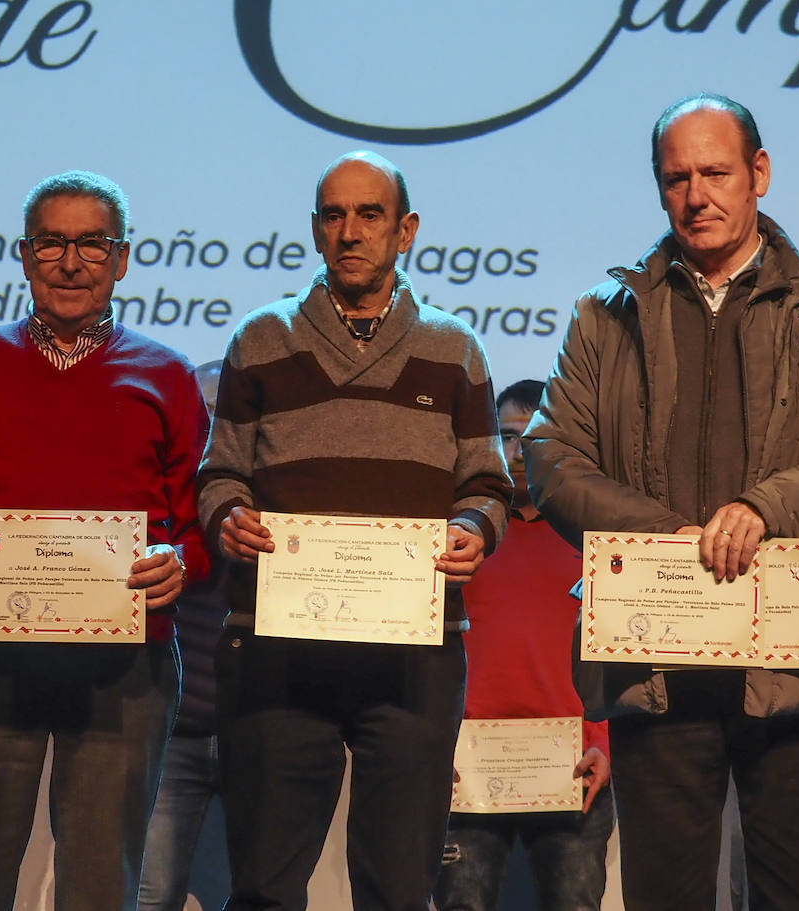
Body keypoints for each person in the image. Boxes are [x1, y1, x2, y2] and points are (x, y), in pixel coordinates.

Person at [524, 93, 799, 911]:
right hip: (655, 661)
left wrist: (766, 506)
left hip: (796, 661)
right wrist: (666, 537)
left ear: (759, 175)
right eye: (676, 178)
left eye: (715, 172)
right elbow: (550, 457)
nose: (696, 194)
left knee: (792, 897)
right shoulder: (605, 316)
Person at [197, 150, 512, 911]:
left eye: (369, 215)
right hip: (276, 648)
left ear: (404, 230)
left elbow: (486, 485)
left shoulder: (455, 347)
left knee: (400, 887)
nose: (350, 231)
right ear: (313, 230)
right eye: (333, 215)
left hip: (412, 654)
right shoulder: (261, 338)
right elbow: (222, 473)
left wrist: (473, 528)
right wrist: (228, 519)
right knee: (265, 885)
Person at [0, 170, 209, 911]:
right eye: (52, 244)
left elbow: (197, 525)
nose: (71, 262)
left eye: (92, 245)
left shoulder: (167, 374)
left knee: (102, 884)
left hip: (126, 660)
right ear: (24, 254)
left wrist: (181, 562)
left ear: (123, 259)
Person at [435, 379, 613, 911]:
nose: (519, 452)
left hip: (575, 763)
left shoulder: (600, 539)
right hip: (465, 765)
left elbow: (622, 650)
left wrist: (606, 744)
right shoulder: (458, 540)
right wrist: (434, 745)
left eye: (534, 438)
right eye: (507, 437)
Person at [139, 359, 232, 911]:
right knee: (152, 894)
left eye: (226, 414)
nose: (212, 428)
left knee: (265, 891)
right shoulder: (155, 502)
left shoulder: (281, 510)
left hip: (258, 729)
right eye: (202, 413)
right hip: (172, 730)